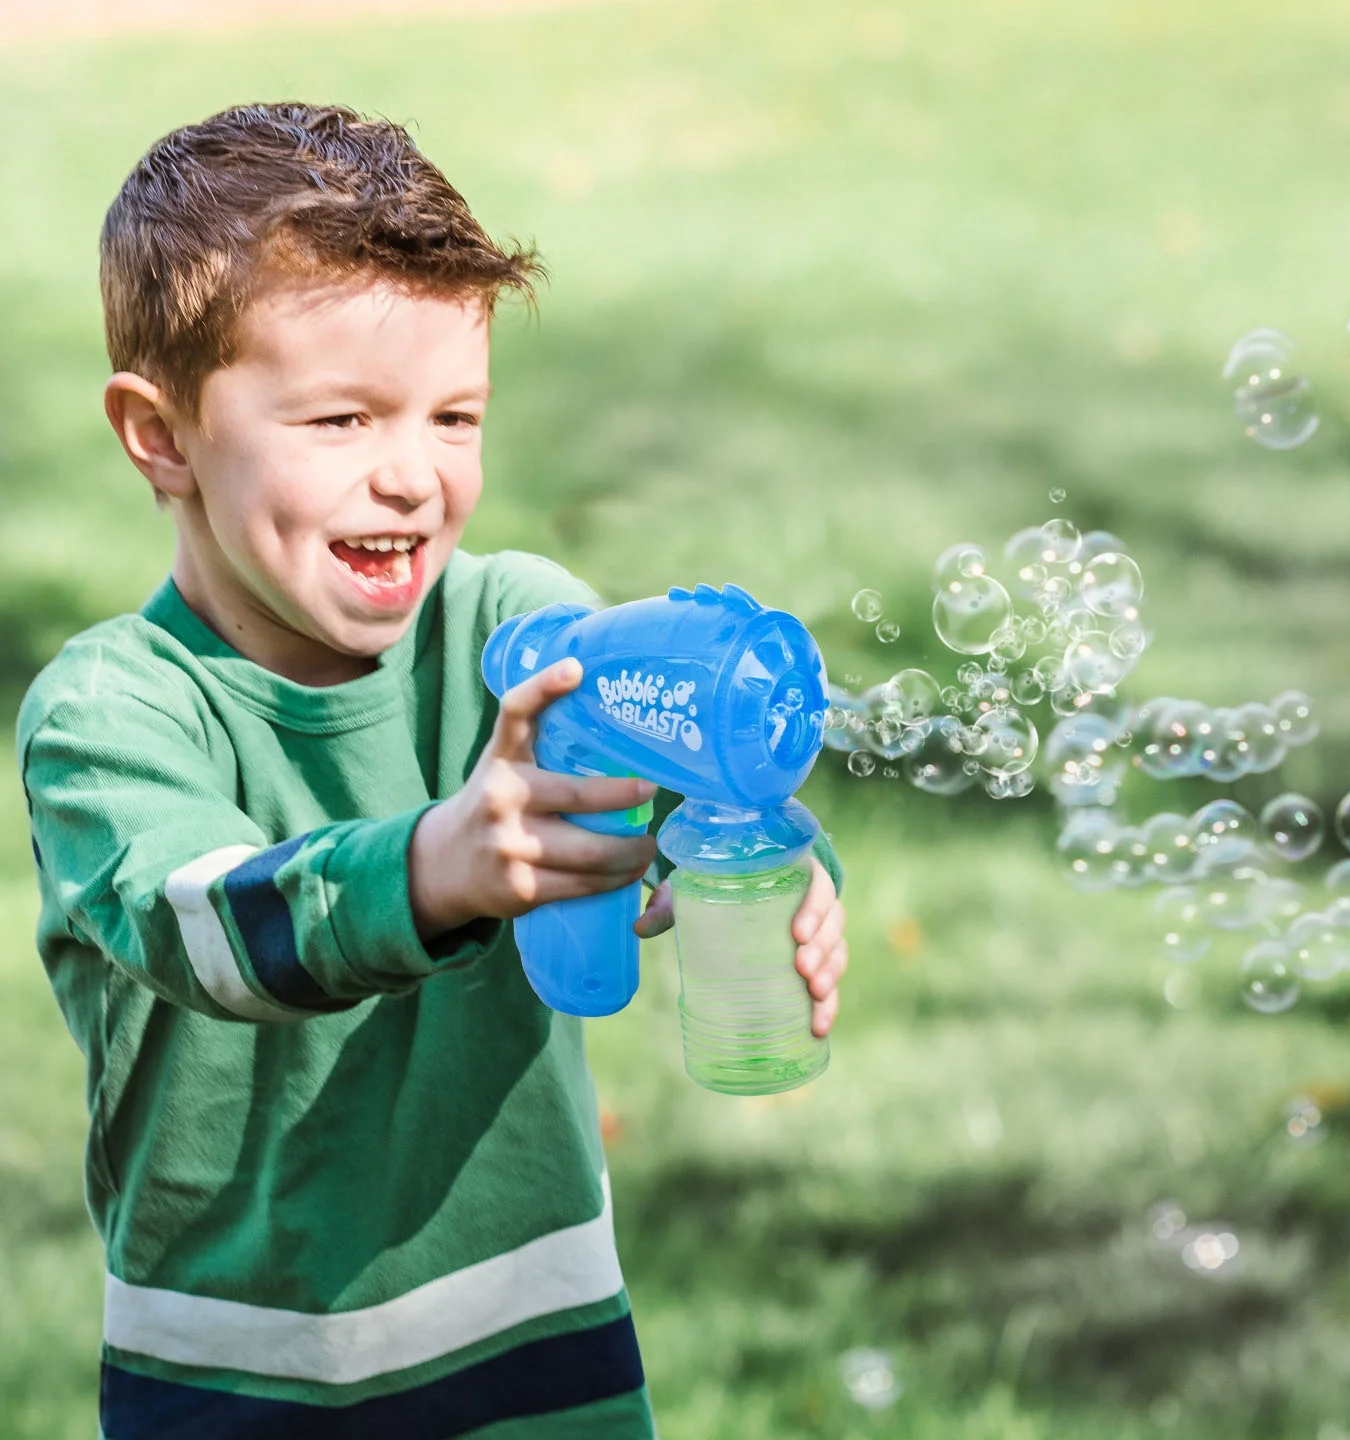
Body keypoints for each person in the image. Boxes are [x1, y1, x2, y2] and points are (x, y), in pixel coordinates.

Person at [15, 102, 849, 1439]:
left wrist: (765, 858)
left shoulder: (517, 629)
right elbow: (209, 931)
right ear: (160, 434)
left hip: (538, 1336)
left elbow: (678, 768)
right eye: (341, 420)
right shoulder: (114, 714)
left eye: (454, 416)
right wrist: (433, 868)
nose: (413, 476)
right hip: (238, 1375)